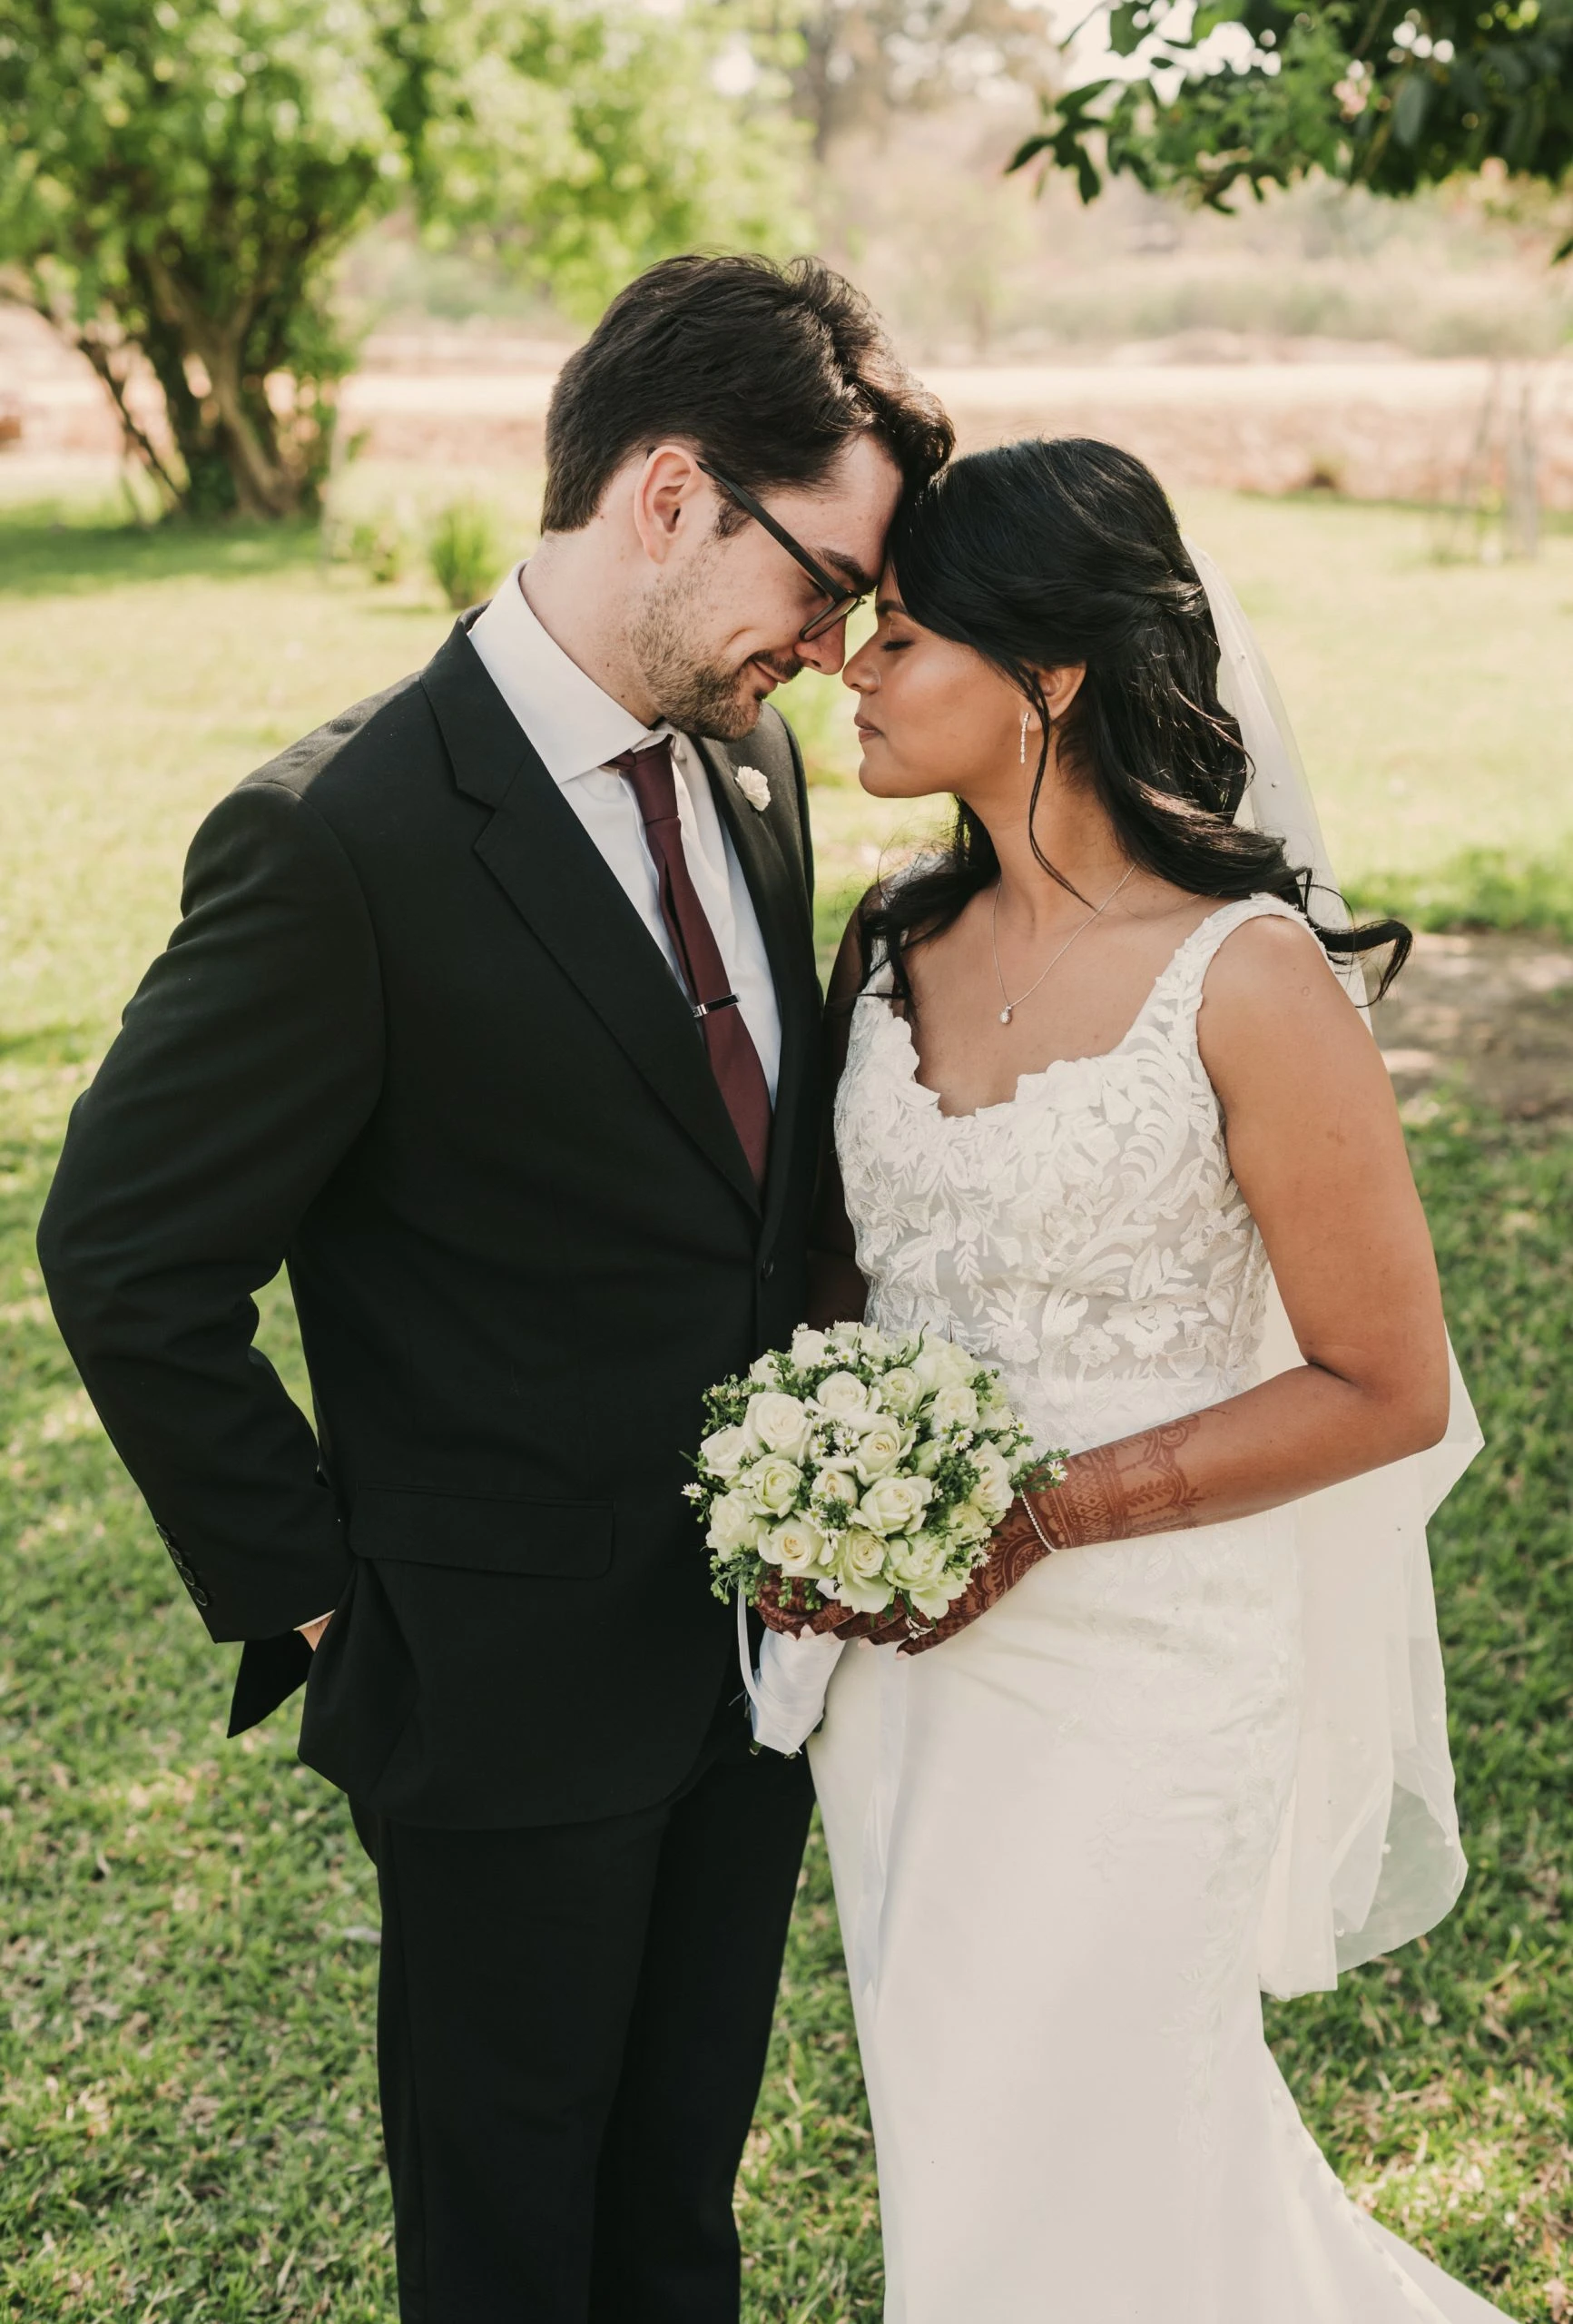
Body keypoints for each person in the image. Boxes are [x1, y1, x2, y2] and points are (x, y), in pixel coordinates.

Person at [35, 253, 952, 2324]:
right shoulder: (334, 840)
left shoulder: (751, 767)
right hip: (491, 1696)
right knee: (509, 2238)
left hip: (746, 1669)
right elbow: (124, 1247)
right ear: (664, 491)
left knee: (674, 2214)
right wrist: (323, 1599)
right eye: (817, 580)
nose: (827, 648)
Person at [762, 437, 1502, 2319]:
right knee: (959, 2124)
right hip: (900, 1678)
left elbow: (1380, 1381)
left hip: (1143, 1664)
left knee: (1096, 2119)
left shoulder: (1242, 980)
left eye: (901, 633)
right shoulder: (886, 952)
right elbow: (842, 1303)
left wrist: (1047, 1510)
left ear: (1049, 678)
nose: (849, 665)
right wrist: (806, 1486)